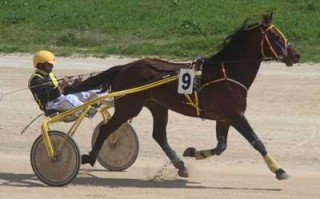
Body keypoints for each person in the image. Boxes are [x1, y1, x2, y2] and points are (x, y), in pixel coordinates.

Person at [28, 50, 99, 117]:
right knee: (71, 98)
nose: (52, 66)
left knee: (87, 92)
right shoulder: (36, 80)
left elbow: (63, 91)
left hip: (60, 98)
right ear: (40, 65)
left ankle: (98, 102)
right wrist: (62, 86)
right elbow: (47, 97)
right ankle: (88, 110)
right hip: (49, 105)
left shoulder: (50, 74)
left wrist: (76, 85)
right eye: (49, 64)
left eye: (52, 64)